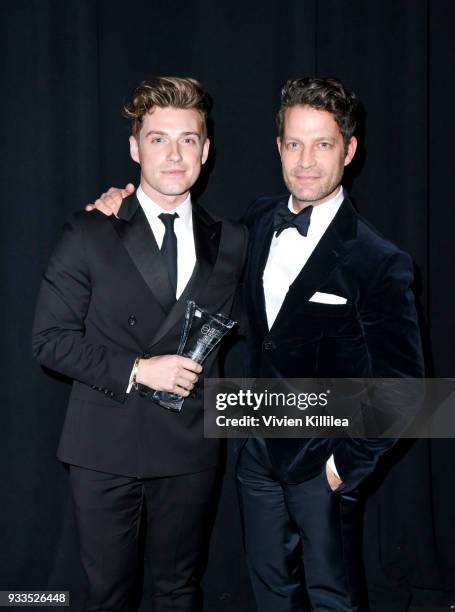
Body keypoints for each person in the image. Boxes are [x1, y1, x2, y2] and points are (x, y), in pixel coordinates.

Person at [89, 77, 424, 611]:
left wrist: (345, 464)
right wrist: (123, 200)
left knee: (334, 598)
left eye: (323, 144)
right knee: (270, 594)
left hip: (324, 461)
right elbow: (174, 229)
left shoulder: (379, 260)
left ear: (350, 150)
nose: (307, 161)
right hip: (254, 451)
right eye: (295, 143)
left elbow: (404, 389)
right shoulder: (256, 223)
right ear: (279, 148)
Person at [32, 76, 247, 612]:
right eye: (158, 138)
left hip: (191, 446)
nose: (174, 154)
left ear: (206, 149)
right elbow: (49, 342)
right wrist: (139, 368)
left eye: (188, 139)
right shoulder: (89, 230)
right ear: (134, 148)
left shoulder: (235, 240)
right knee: (109, 596)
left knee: (179, 592)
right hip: (103, 444)